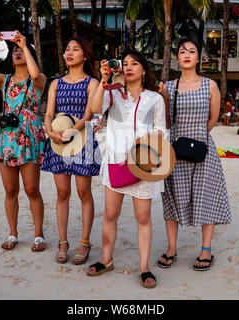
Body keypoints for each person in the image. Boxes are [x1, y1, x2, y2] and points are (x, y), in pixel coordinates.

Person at [88, 51, 167, 288]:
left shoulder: (155, 99)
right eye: (125, 64)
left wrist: (145, 144)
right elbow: (94, 108)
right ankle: (106, 259)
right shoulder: (112, 95)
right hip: (115, 160)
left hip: (143, 163)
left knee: (142, 217)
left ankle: (144, 268)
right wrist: (104, 80)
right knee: (110, 214)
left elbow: (161, 129)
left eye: (134, 64)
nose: (129, 67)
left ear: (144, 70)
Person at [158, 38, 231, 272]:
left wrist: (196, 138)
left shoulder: (210, 85)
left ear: (198, 58)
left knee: (205, 196)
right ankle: (172, 248)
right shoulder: (169, 87)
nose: (187, 55)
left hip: (203, 149)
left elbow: (213, 119)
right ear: (177, 58)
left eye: (192, 51)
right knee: (171, 198)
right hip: (174, 149)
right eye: (182, 51)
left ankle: (206, 249)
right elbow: (167, 121)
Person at [0, 31, 48, 251]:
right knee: (10, 190)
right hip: (7, 138)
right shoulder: (4, 80)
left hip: (29, 137)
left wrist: (25, 46)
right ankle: (13, 234)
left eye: (21, 50)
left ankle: (38, 234)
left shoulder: (39, 79)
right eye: (14, 50)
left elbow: (35, 76)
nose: (17, 52)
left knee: (32, 189)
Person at [42, 37, 101, 265]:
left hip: (82, 140)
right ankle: (63, 242)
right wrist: (50, 131)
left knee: (83, 192)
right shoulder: (56, 83)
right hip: (58, 140)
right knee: (62, 192)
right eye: (67, 49)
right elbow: (48, 113)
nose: (70, 52)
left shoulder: (92, 83)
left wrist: (72, 131)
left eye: (76, 49)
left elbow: (88, 115)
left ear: (85, 56)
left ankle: (84, 242)